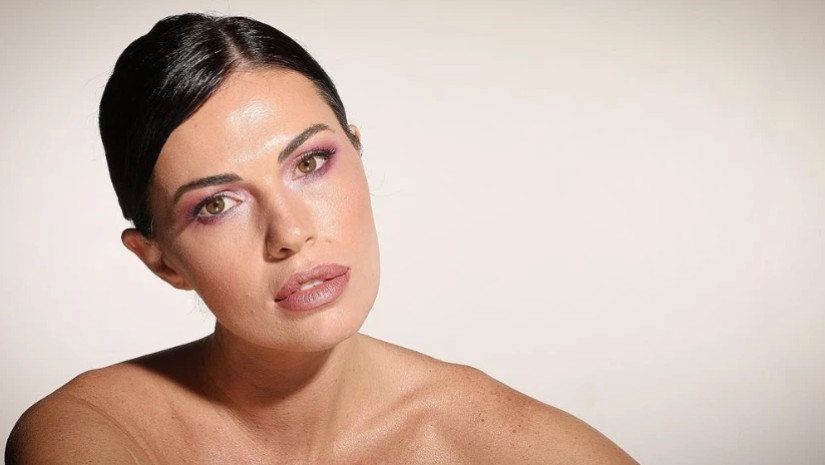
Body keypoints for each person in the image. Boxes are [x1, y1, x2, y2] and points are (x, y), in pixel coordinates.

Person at [6, 13, 637, 464]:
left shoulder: (514, 445)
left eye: (309, 163)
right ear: (161, 261)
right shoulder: (92, 434)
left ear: (358, 152)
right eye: (217, 204)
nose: (291, 233)